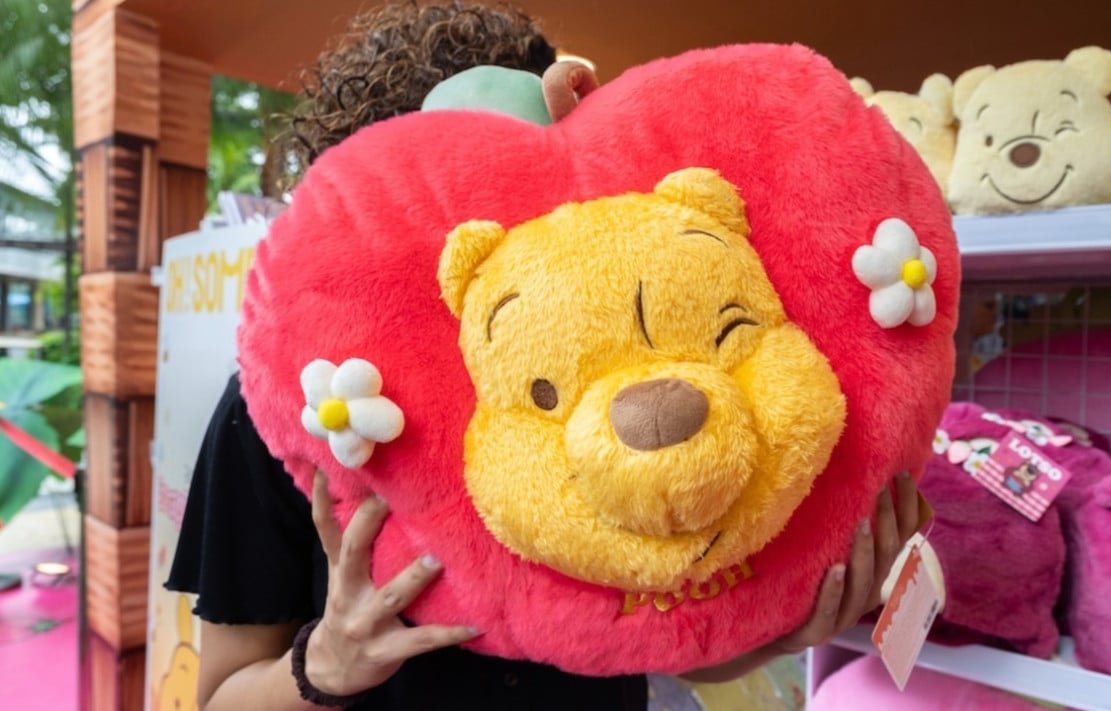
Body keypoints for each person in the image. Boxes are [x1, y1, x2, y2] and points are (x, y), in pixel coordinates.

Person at [166, 3, 922, 709]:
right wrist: (328, 662)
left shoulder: (632, 354)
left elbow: (669, 640)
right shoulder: (303, 408)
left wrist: (782, 625)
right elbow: (222, 694)